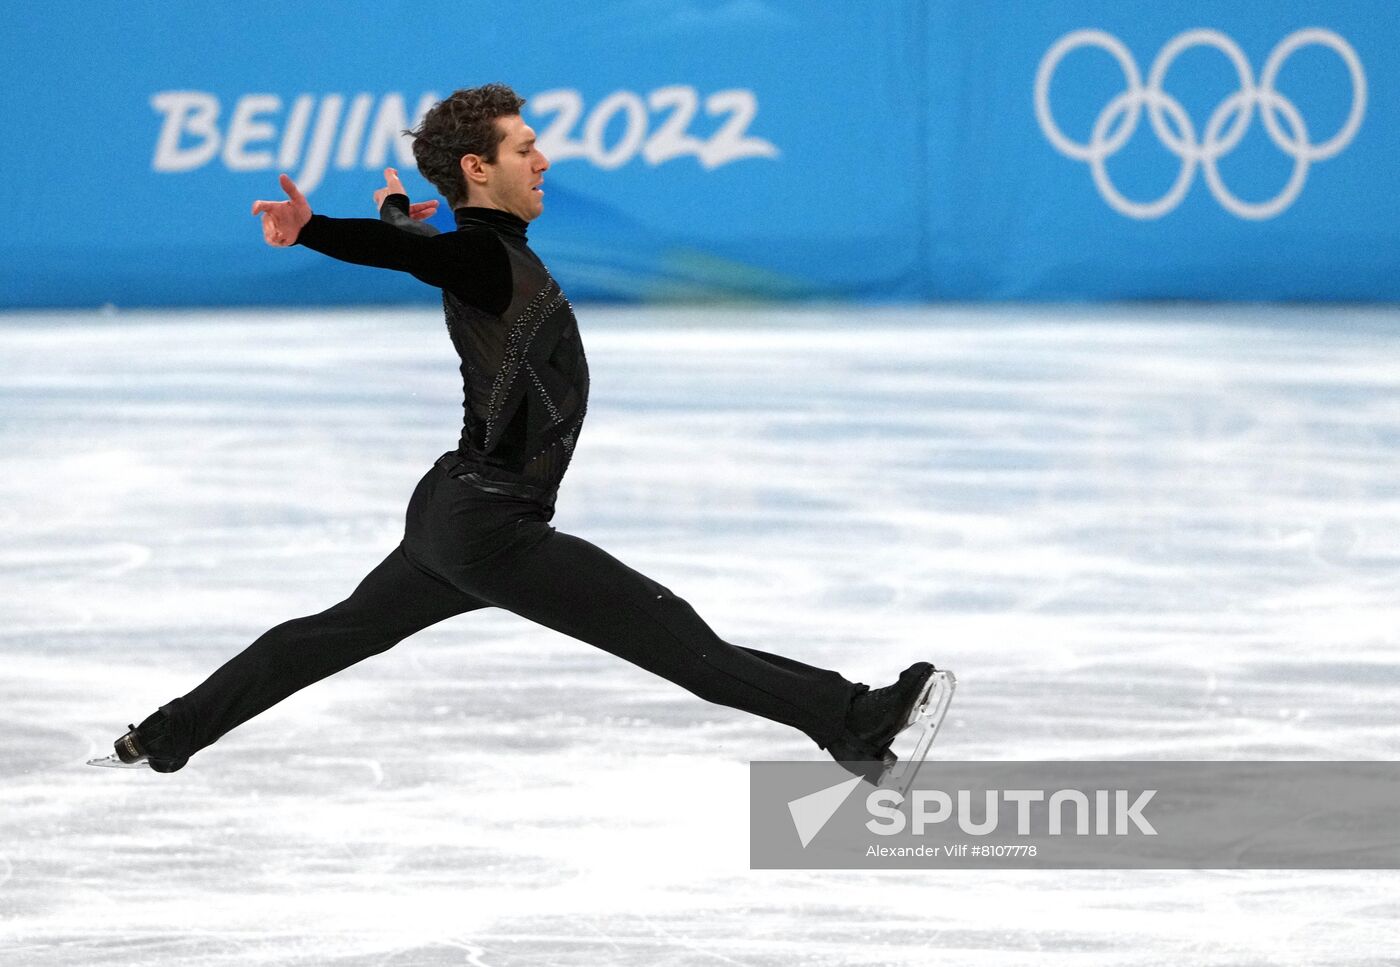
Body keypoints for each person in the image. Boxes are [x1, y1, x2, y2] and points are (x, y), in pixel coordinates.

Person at [99, 83, 943, 785]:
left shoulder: (483, 252)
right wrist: (317, 230)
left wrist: (394, 212)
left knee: (326, 636)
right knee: (675, 634)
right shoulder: (482, 256)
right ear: (479, 167)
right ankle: (851, 717)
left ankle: (167, 734)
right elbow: (418, 256)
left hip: (455, 513)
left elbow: (423, 250)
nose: (542, 161)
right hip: (490, 526)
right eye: (525, 148)